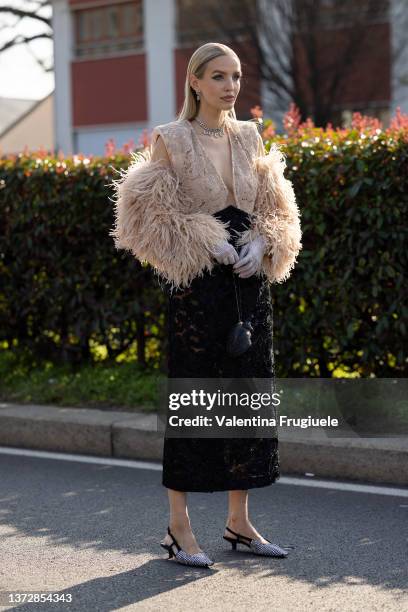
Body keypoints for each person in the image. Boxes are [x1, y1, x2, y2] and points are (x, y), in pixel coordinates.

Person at [110, 42, 302, 568]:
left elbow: (274, 206)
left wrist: (264, 243)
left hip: (248, 285)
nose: (230, 86)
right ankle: (178, 529)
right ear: (194, 81)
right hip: (199, 289)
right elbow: (147, 213)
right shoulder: (170, 139)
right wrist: (204, 239)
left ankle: (239, 524)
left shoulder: (250, 135)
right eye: (218, 76)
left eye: (236, 76)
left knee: (247, 400)